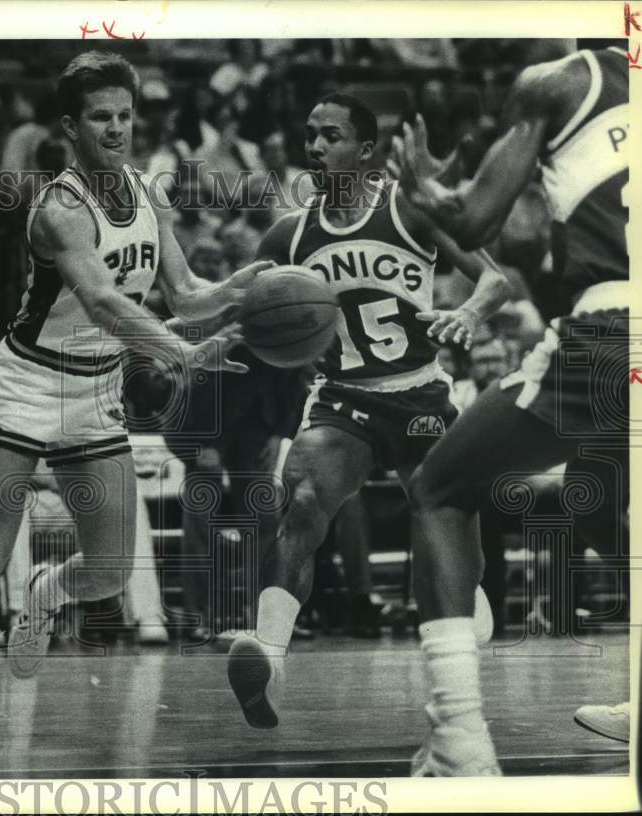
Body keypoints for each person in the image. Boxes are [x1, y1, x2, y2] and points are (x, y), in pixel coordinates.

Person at [0, 51, 267, 745]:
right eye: (100, 117)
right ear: (70, 127)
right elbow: (106, 301)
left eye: (124, 115)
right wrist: (175, 350)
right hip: (28, 385)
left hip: (95, 390)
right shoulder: (58, 209)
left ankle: (47, 593)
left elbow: (184, 293)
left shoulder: (149, 193)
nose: (116, 128)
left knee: (111, 571)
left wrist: (240, 291)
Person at [224, 93, 510, 731]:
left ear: (367, 149)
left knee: (453, 548)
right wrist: (187, 340)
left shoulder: (409, 211)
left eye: (330, 135)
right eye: (310, 135)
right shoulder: (289, 234)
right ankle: (268, 656)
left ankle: (462, 613)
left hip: (420, 395)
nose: (317, 147)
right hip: (343, 400)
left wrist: (467, 312)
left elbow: (495, 281)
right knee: (299, 500)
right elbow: (238, 308)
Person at [395, 40, 629, 773]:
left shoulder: (561, 81)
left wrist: (425, 190)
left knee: (439, 488)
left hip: (616, 328)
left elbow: (473, 224)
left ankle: (459, 739)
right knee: (598, 505)